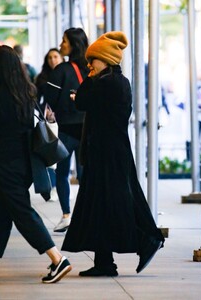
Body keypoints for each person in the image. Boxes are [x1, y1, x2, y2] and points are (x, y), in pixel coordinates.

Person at [62, 31, 165, 276]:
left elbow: (82, 101)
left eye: (93, 60)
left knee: (115, 203)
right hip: (111, 152)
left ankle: (148, 238)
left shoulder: (107, 83)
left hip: (108, 154)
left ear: (105, 59)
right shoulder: (116, 81)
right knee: (106, 204)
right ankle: (105, 262)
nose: (89, 65)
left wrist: (87, 80)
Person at [0, 45, 71, 284]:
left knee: (22, 213)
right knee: (2, 212)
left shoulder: (1, 96)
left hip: (6, 165)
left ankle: (57, 259)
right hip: (23, 165)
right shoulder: (25, 93)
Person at [45, 28, 89, 232]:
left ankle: (66, 215)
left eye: (64, 41)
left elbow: (50, 98)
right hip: (87, 129)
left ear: (73, 44)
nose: (61, 45)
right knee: (84, 175)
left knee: (62, 172)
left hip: (66, 130)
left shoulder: (61, 70)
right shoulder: (91, 69)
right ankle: (84, 216)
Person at [35, 48, 64, 201]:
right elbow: (37, 99)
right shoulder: (42, 78)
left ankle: (61, 185)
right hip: (47, 119)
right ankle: (52, 185)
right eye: (50, 57)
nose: (53, 60)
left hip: (64, 119)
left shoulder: (66, 74)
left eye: (55, 57)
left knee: (62, 153)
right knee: (51, 152)